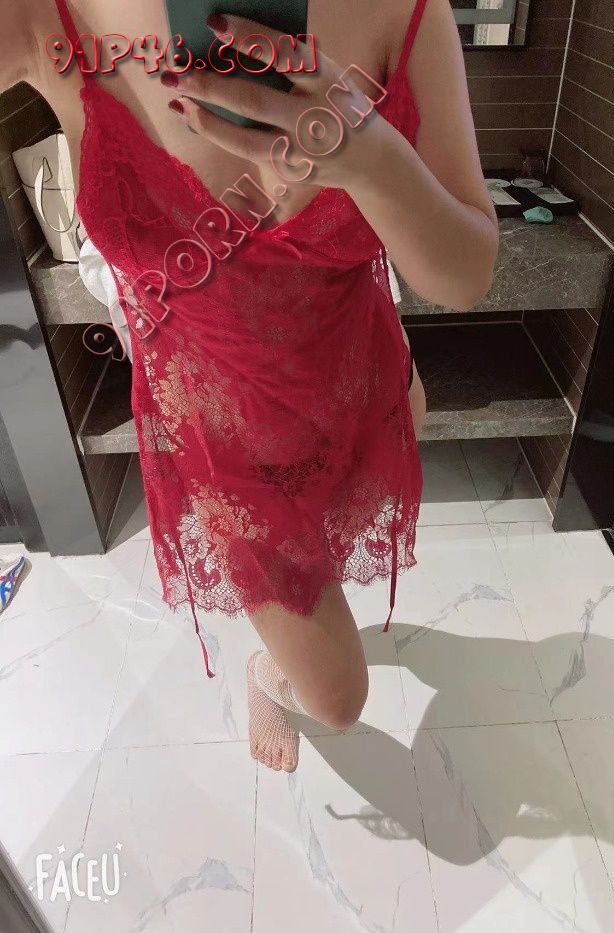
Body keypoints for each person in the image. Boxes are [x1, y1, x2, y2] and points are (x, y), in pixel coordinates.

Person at [3, 0, 498, 772]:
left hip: (365, 381)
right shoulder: (46, 12)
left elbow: (466, 273)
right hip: (227, 441)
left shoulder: (404, 9)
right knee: (337, 698)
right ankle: (270, 672)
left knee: (338, 542)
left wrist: (377, 163)